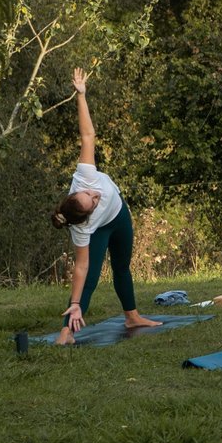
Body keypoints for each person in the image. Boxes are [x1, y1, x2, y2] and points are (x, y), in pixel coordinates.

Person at [49, 67, 159, 345]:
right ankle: (66, 331)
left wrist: (81, 95)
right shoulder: (82, 229)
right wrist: (74, 302)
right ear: (84, 216)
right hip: (102, 229)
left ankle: (132, 316)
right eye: (93, 202)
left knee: (122, 267)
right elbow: (80, 268)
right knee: (91, 277)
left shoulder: (84, 177)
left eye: (91, 194)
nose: (95, 195)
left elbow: (88, 135)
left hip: (120, 217)